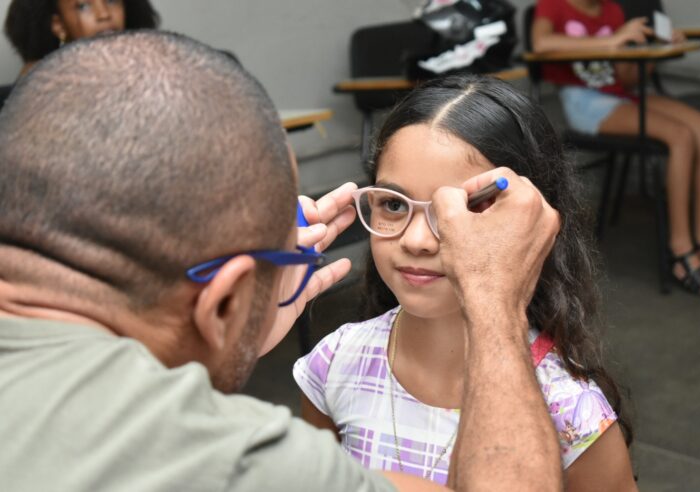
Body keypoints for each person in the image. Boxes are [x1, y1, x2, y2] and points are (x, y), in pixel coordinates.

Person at [0, 31, 564, 491]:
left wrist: (229, 330)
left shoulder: (570, 398)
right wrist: (495, 296)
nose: (418, 239)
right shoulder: (244, 463)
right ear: (222, 301)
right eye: (394, 203)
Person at [294, 75, 637, 491]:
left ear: (531, 225)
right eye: (393, 204)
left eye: (463, 209)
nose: (417, 240)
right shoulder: (335, 364)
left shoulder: (569, 409)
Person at [531, 0, 700, 297]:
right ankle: (680, 248)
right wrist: (611, 40)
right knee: (680, 136)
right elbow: (540, 43)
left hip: (623, 95)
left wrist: (653, 50)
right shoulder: (553, 5)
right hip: (584, 100)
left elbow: (627, 77)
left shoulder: (612, 10)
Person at [4, 0, 160, 76]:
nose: (104, 14)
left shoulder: (147, 67)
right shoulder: (40, 78)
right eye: (83, 6)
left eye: (111, 0)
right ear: (59, 25)